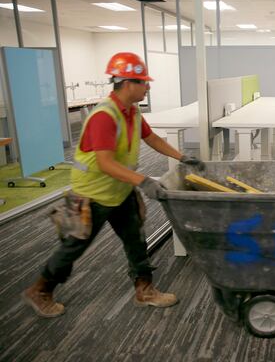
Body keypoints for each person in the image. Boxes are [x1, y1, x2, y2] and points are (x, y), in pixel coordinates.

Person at [22, 52, 203, 318]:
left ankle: (145, 290)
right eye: (144, 82)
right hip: (91, 196)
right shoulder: (104, 116)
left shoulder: (131, 112)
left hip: (120, 191)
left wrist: (182, 157)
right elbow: (105, 163)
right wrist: (144, 181)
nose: (148, 87)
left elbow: (151, 138)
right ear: (128, 83)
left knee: (135, 240)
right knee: (74, 246)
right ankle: (40, 290)